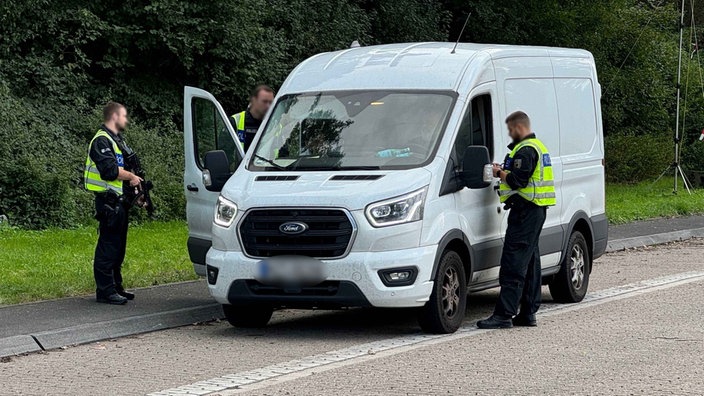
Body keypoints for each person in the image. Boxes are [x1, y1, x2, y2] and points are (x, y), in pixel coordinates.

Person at [477, 111, 556, 329]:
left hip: (525, 211)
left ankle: (504, 315)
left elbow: (518, 181)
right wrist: (504, 170)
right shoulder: (538, 146)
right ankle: (528, 312)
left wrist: (498, 173)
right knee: (530, 263)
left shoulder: (526, 149)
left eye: (511, 130)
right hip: (534, 210)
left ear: (519, 127)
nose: (510, 134)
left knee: (514, 262)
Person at [84, 102, 142, 305]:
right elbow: (110, 172)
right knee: (108, 247)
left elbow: (124, 172)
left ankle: (116, 286)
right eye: (124, 116)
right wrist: (131, 177)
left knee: (118, 247)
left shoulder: (117, 141)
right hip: (107, 202)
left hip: (119, 202)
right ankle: (105, 290)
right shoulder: (101, 141)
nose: (126, 120)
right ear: (114, 116)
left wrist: (136, 193)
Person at [230, 85, 275, 152]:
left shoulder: (275, 125)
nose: (268, 106)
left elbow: (284, 156)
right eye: (264, 102)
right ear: (253, 100)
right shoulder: (235, 122)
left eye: (271, 102)